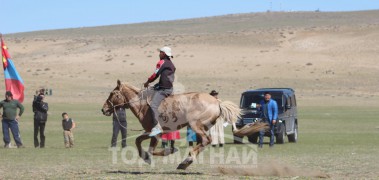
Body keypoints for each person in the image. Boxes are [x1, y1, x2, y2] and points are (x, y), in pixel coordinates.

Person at [144, 46, 176, 137]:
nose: (159, 54)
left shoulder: (162, 62)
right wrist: (156, 85)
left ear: (164, 54)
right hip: (168, 88)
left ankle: (157, 126)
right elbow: (165, 78)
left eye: (160, 52)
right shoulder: (171, 63)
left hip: (164, 90)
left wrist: (147, 82)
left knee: (153, 105)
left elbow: (155, 75)